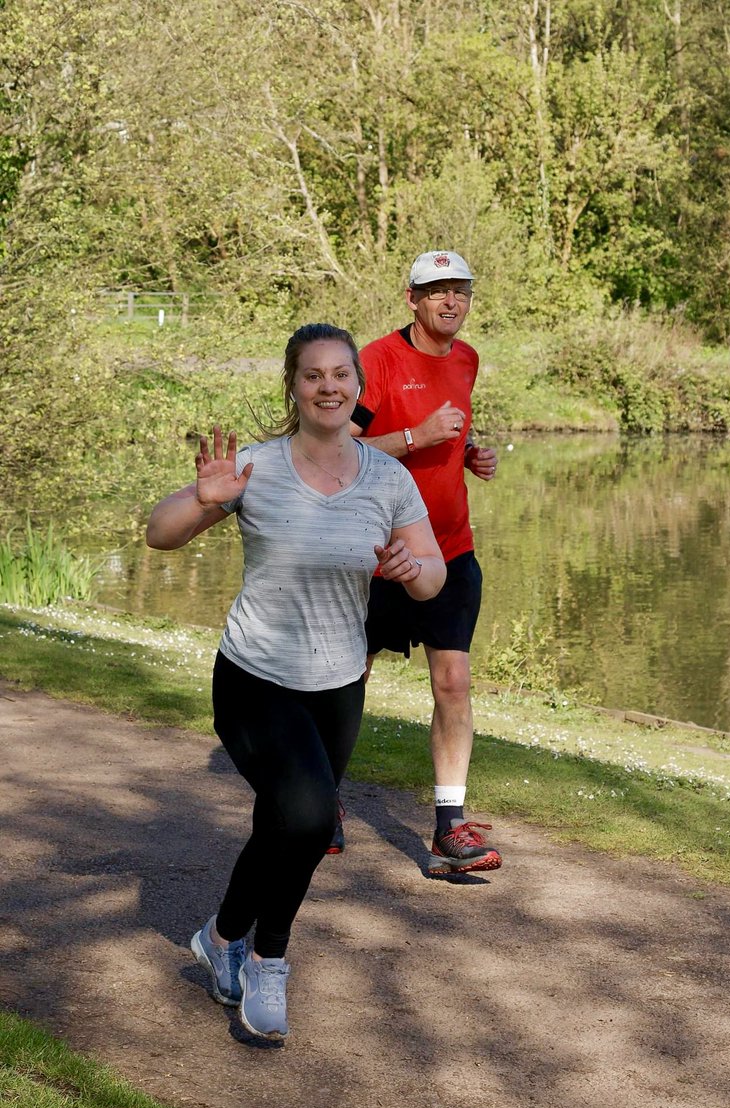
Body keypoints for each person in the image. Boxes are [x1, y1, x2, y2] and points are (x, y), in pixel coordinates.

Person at [145, 323, 445, 1040]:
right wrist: (202, 496)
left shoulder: (388, 479)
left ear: (358, 387)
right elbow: (159, 532)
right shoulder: (256, 467)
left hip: (338, 682)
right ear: (294, 386)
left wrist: (413, 572)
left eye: (341, 374)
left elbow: (432, 573)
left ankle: (220, 937)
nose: (329, 386)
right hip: (255, 674)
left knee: (286, 822)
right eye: (314, 375)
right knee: (312, 819)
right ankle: (269, 960)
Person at [346, 249, 502, 876]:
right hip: (379, 552)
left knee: (453, 684)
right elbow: (341, 446)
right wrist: (418, 439)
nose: (451, 302)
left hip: (451, 549)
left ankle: (448, 826)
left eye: (460, 291)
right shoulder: (375, 362)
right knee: (346, 675)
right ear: (411, 299)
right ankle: (318, 799)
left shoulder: (466, 359)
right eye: (437, 291)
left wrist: (466, 455)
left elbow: (446, 432)